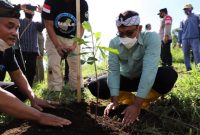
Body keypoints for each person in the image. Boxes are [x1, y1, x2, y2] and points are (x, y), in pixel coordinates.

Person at [87, 10, 178, 126]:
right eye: (121, 33)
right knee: (95, 85)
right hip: (126, 79)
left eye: (129, 33)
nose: (125, 37)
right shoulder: (114, 43)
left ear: (139, 29)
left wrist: (137, 105)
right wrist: (114, 102)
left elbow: (149, 71)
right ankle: (126, 100)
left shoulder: (151, 38)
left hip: (145, 78)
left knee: (169, 75)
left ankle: (143, 101)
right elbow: (113, 71)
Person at [0, 0, 71, 127]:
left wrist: (33, 98)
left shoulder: (6, 49)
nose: (15, 33)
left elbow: (17, 74)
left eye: (17, 28)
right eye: (9, 26)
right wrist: (38, 116)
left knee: (22, 90)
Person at [42, 0, 88, 92]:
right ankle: (55, 90)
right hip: (54, 36)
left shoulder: (82, 3)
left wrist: (75, 44)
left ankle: (77, 90)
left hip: (73, 37)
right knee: (53, 64)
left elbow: (82, 26)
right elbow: (48, 24)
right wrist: (57, 45)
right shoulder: (49, 2)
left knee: (75, 64)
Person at [17, 5, 44, 87]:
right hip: (21, 51)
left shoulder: (36, 24)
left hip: (32, 51)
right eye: (28, 10)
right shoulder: (19, 21)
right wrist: (19, 8)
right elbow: (12, 17)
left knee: (31, 71)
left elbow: (43, 25)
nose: (30, 12)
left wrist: (42, 13)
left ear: (34, 13)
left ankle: (29, 88)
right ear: (24, 11)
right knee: (19, 70)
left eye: (32, 11)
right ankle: (19, 87)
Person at [178, 4, 200, 71]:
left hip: (195, 38)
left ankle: (198, 69)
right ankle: (188, 69)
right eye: (184, 9)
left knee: (197, 53)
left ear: (191, 8)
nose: (186, 10)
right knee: (186, 54)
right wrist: (179, 41)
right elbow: (180, 31)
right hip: (184, 39)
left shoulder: (197, 16)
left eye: (187, 8)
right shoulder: (182, 20)